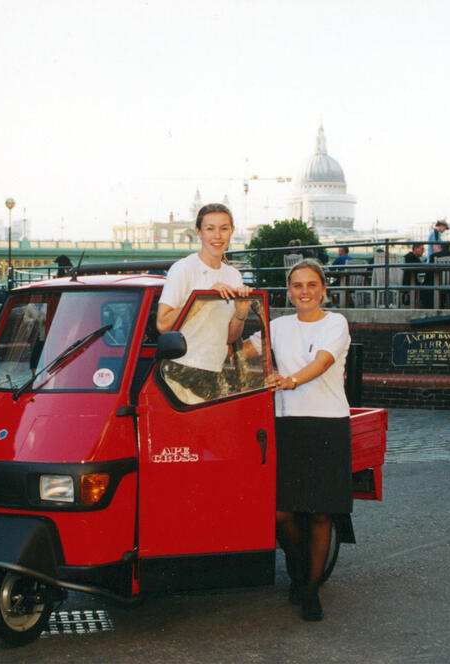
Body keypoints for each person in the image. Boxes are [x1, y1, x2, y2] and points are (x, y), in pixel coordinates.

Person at [245, 258, 352, 622]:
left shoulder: (336, 323)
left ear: (323, 289)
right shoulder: (277, 326)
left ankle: (309, 591)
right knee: (281, 513)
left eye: (311, 285)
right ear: (288, 292)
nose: (304, 292)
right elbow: (244, 352)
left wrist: (288, 380)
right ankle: (300, 567)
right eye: (296, 286)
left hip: (327, 424)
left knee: (321, 512)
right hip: (287, 423)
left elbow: (321, 362)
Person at [156, 203, 251, 399]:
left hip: (215, 371)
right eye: (210, 229)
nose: (217, 236)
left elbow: (230, 338)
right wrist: (202, 298)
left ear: (232, 231)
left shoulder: (233, 276)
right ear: (198, 232)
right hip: (180, 370)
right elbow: (163, 324)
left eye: (224, 229)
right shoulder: (183, 269)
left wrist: (241, 313)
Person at [402, 243, 425, 307]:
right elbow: (422, 268)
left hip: (403, 281)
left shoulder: (408, 256)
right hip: (407, 283)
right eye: (422, 249)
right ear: (415, 249)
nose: (423, 251)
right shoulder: (412, 257)